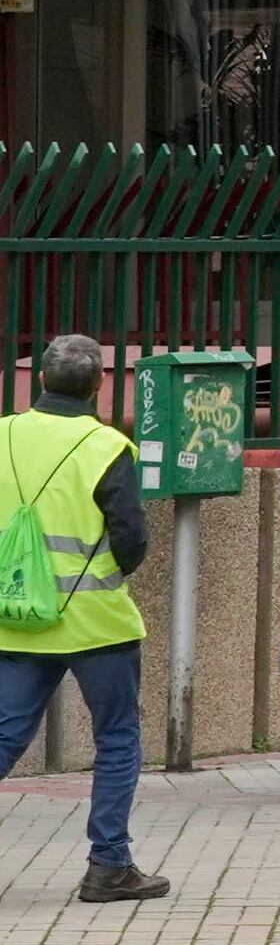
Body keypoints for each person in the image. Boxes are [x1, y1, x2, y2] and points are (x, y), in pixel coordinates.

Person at [0, 338, 163, 905]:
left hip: (16, 616)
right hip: (97, 623)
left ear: (41, 378)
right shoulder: (106, 446)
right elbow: (131, 537)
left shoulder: (3, 434)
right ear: (98, 386)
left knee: (4, 736)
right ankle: (108, 866)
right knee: (117, 739)